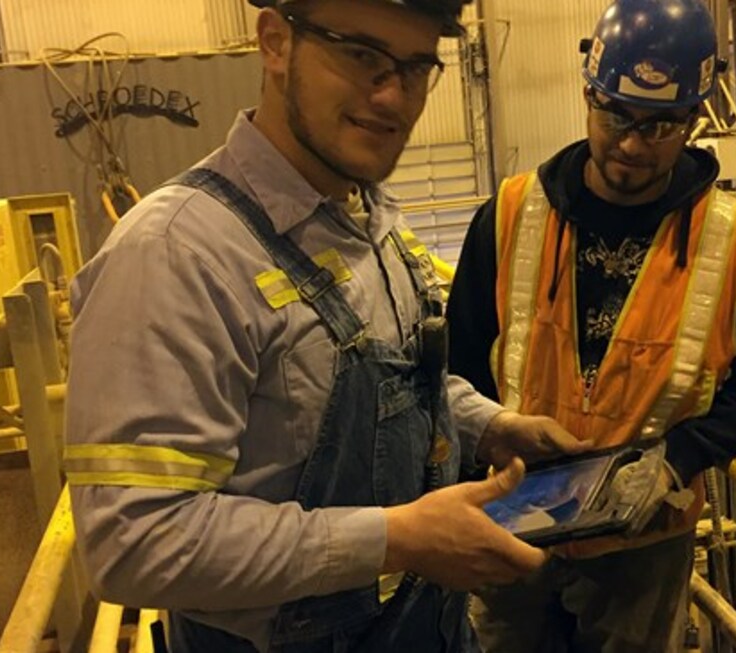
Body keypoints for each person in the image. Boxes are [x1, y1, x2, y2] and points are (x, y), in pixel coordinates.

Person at [62, 1, 589, 651]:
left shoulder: (369, 220)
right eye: (362, 55)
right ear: (276, 42)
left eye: (416, 66)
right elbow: (132, 541)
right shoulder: (176, 256)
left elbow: (393, 383)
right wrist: (396, 538)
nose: (393, 95)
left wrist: (493, 427)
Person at [446, 0, 736, 650]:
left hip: (643, 543)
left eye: (661, 125)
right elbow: (458, 366)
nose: (632, 143)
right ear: (587, 93)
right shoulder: (508, 216)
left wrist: (678, 458)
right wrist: (490, 439)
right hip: (511, 519)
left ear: (695, 119)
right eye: (615, 114)